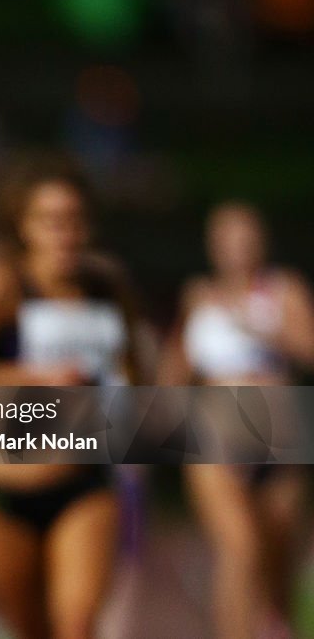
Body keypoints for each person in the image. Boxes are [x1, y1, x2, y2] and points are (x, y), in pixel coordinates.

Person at [0, 154, 145, 639]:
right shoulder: (5, 286)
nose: (64, 232)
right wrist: (35, 375)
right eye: (50, 220)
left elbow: (132, 372)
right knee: (29, 629)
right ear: (25, 227)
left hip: (86, 482)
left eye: (73, 220)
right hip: (9, 487)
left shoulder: (107, 286)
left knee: (78, 625)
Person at [160, 201, 314, 639]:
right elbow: (173, 377)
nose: (238, 249)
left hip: (281, 440)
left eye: (246, 238)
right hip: (218, 441)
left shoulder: (283, 290)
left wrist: (257, 326)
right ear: (213, 246)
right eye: (228, 239)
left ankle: (277, 625)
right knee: (241, 550)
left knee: (280, 565)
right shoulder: (199, 298)